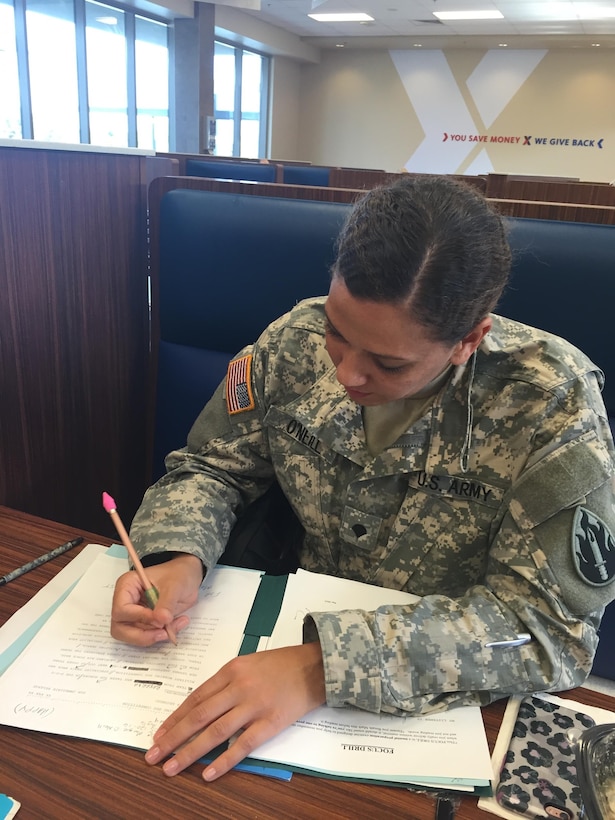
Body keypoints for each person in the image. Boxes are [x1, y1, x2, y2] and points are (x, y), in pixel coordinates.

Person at [111, 174, 615, 783]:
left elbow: (548, 632)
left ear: (469, 339)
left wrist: (322, 667)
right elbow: (212, 464)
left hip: (436, 704)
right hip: (269, 641)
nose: (347, 374)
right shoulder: (293, 341)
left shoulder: (548, 402)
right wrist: (177, 555)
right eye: (338, 333)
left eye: (389, 362)